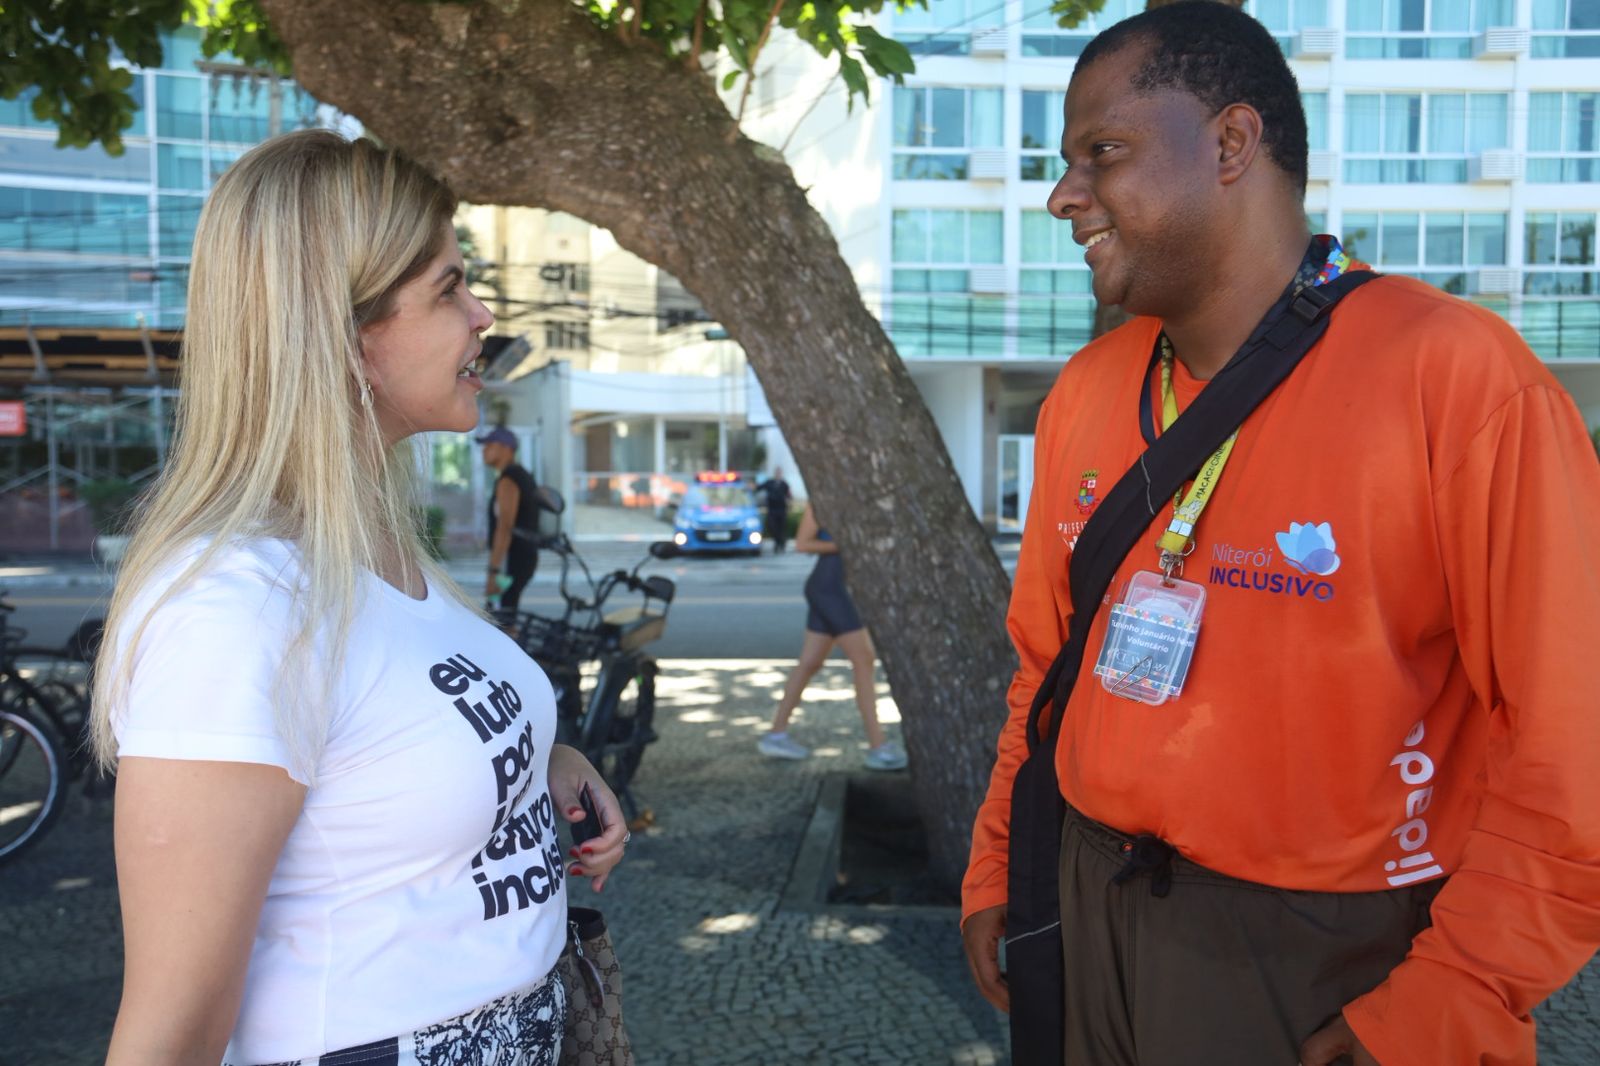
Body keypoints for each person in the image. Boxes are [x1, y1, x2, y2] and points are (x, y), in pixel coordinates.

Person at [960, 5, 1600, 1065]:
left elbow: (1573, 743)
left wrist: (1454, 994)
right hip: (1082, 899)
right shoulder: (1086, 390)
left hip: (1324, 950)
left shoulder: (1456, 377)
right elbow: (1045, 669)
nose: (1063, 195)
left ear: (1230, 143)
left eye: (1102, 152)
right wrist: (1000, 866)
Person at [90, 130, 630, 1066]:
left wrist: (541, 760)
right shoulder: (234, 612)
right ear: (341, 337)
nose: (483, 314)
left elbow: (387, 745)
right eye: (449, 289)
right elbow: (170, 1031)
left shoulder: (372, 547)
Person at [757, 502, 907, 770]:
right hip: (830, 590)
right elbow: (803, 544)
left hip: (838, 589)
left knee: (810, 663)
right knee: (863, 659)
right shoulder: (821, 501)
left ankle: (776, 735)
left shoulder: (865, 499)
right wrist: (848, 546)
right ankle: (878, 746)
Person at [479, 425, 545, 613]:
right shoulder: (521, 475)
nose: (484, 450)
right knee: (506, 614)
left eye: (489, 445)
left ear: (506, 448)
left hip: (511, 560)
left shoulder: (509, 479)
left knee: (500, 618)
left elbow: (505, 527)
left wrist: (493, 571)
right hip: (522, 557)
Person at [755, 466, 793, 553]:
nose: (778, 474)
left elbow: (789, 495)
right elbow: (759, 487)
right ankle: (778, 541)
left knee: (781, 528)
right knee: (772, 526)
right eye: (777, 472)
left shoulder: (784, 484)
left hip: (782, 509)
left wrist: (789, 502)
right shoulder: (770, 483)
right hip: (772, 509)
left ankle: (780, 544)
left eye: (779, 472)